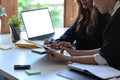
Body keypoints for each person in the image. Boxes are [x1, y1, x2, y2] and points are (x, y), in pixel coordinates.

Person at [46, 0, 120, 70]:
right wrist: (59, 44)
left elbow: (103, 57)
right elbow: (106, 50)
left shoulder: (110, 18)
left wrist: (67, 58)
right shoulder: (84, 14)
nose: (94, 4)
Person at [44, 0, 110, 50]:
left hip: (92, 64)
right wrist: (55, 43)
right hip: (80, 61)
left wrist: (73, 51)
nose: (82, 0)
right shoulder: (83, 15)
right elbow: (69, 35)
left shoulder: (104, 17)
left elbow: (99, 50)